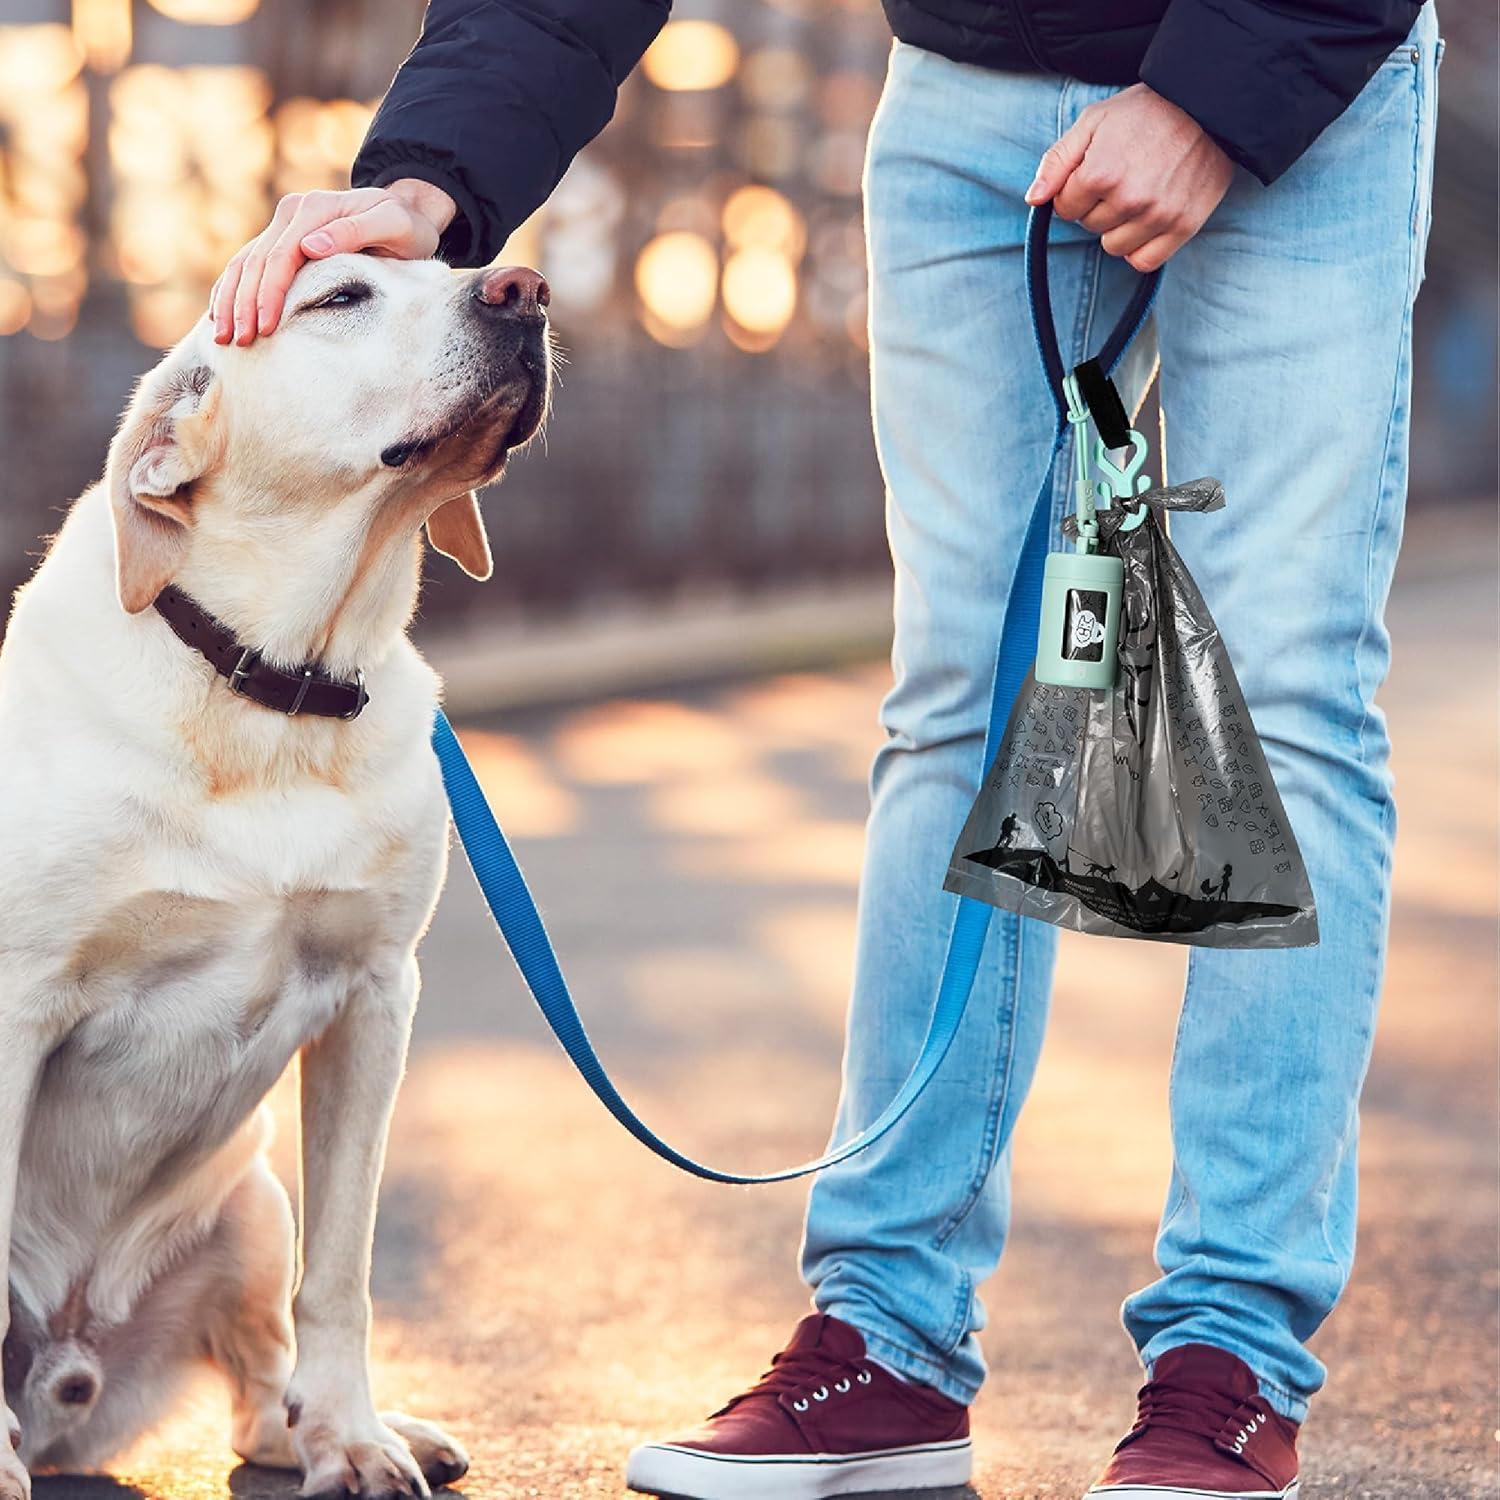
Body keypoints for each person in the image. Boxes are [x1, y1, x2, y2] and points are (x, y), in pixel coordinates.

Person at [211, 2, 1440, 1496]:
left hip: (1301, 93)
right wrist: (432, 176)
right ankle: (888, 1339)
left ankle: (1228, 1366)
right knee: (959, 702)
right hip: (969, 107)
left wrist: (1216, 98)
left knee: (1274, 700)